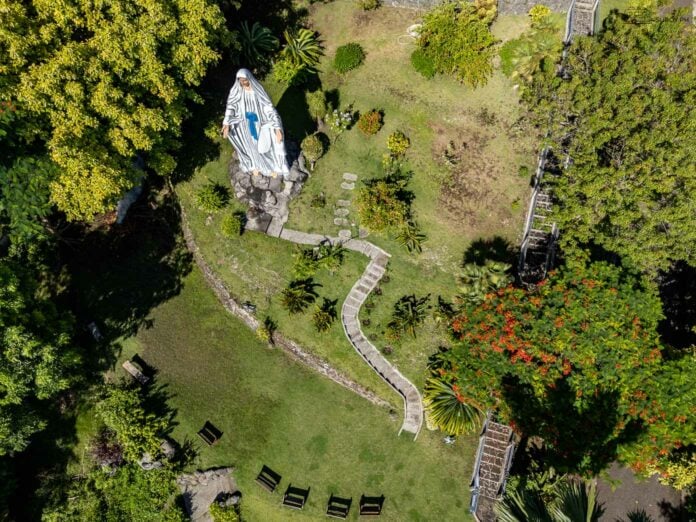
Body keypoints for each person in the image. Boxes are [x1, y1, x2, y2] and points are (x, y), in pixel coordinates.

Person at [221, 69, 290, 179]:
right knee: (251, 146)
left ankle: (275, 166)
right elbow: (231, 107)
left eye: (244, 80)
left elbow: (269, 108)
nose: (243, 82)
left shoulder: (258, 91)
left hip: (261, 124)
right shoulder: (237, 92)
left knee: (266, 146)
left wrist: (276, 127)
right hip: (246, 125)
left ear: (249, 78)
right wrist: (227, 123)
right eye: (240, 80)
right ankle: (257, 166)